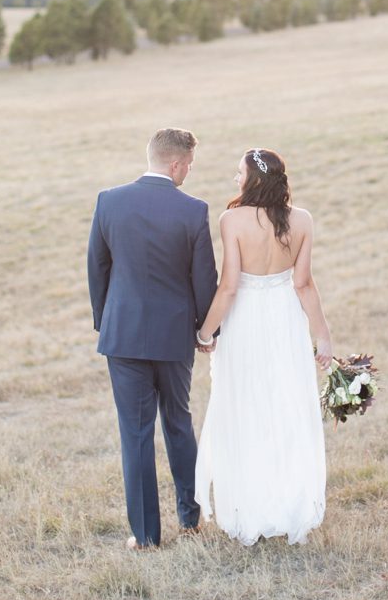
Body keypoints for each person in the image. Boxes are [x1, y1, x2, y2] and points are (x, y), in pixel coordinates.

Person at [86, 127, 217, 551]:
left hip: (123, 335)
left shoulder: (109, 201)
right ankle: (191, 520)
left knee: (136, 434)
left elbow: (97, 268)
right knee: (178, 422)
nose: (189, 172)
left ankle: (145, 537)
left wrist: (105, 321)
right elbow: (204, 278)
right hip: (174, 336)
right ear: (176, 164)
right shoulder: (193, 210)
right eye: (189, 165)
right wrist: (206, 329)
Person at [192, 146, 330, 546]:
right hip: (286, 318)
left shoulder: (232, 220)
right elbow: (303, 283)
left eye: (239, 173)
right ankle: (289, 505)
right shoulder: (301, 220)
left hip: (246, 321)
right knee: (286, 405)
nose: (235, 179)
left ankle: (248, 509)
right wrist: (322, 335)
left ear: (252, 179)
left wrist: (205, 333)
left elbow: (229, 286)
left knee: (245, 404)